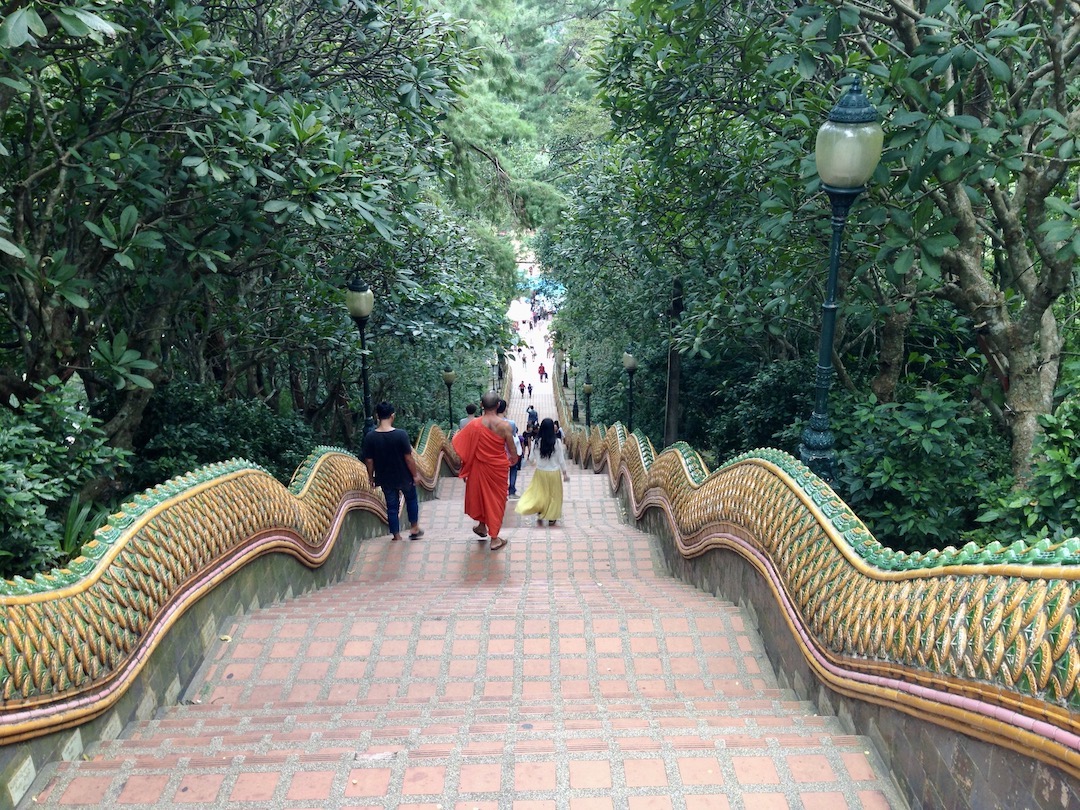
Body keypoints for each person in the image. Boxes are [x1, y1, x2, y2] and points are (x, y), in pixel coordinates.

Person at [451, 391, 519, 550]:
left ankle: (483, 527)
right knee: (496, 500)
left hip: (479, 467)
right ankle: (494, 537)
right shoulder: (504, 426)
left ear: (481, 405)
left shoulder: (473, 424)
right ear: (497, 405)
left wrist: (465, 464)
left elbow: (460, 444)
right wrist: (513, 460)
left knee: (482, 497)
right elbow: (512, 449)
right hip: (498, 468)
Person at [362, 402, 423, 542]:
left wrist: (371, 477)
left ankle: (396, 535)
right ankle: (414, 527)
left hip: (385, 477)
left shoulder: (370, 437)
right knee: (411, 499)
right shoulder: (401, 435)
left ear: (377, 416)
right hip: (404, 476)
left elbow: (369, 461)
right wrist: (415, 475)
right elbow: (408, 458)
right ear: (392, 416)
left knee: (391, 506)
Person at [515, 418, 570, 527]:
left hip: (540, 472)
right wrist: (564, 473)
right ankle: (552, 517)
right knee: (554, 495)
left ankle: (540, 510)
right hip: (554, 472)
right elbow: (561, 460)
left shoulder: (536, 442)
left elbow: (530, 459)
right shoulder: (557, 442)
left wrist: (535, 462)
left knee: (540, 492)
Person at [497, 399, 521, 497]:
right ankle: (511, 491)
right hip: (508, 451)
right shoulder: (510, 423)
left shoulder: (489, 423)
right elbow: (514, 436)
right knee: (513, 468)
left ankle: (500, 490)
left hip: (496, 452)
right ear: (505, 408)